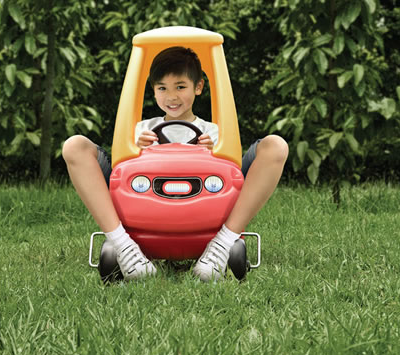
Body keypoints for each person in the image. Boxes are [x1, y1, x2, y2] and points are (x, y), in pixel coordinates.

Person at [62, 46, 288, 282]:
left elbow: (230, 177)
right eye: (162, 88)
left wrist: (215, 153)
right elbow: (123, 174)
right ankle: (123, 245)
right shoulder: (142, 130)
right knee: (74, 146)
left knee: (276, 146)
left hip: (207, 211)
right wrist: (136, 149)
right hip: (143, 210)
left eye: (180, 87)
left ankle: (223, 242)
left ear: (198, 87)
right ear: (153, 90)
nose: (171, 97)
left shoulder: (214, 133)